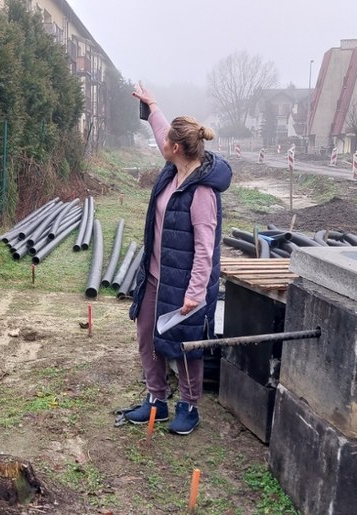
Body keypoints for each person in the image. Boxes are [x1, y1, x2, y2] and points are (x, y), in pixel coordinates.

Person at [123, 82, 231, 435]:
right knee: (146, 335)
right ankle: (157, 400)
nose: (161, 144)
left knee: (185, 346)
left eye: (167, 141)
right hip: (156, 276)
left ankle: (189, 405)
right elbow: (161, 132)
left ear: (178, 148)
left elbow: (206, 247)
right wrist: (152, 106)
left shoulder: (202, 192)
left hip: (186, 286)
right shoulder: (174, 170)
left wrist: (195, 294)